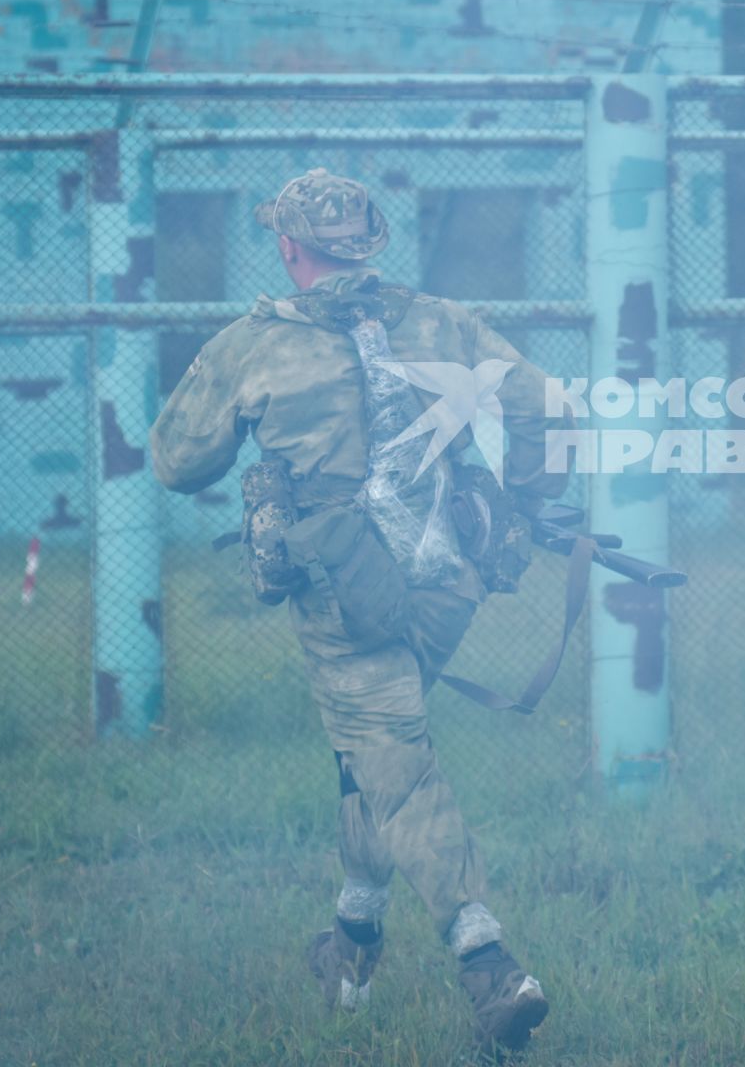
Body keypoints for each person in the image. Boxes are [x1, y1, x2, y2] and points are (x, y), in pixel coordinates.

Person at [149, 169, 560, 1053]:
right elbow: (544, 405)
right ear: (370, 241)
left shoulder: (255, 344)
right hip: (454, 584)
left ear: (288, 248)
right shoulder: (443, 320)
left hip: (349, 601)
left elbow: (177, 463)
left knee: (397, 767)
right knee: (369, 759)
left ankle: (490, 965)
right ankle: (353, 945)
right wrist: (522, 506)